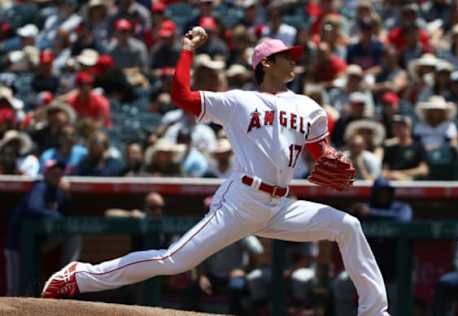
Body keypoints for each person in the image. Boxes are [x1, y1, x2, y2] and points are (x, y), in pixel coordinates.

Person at [41, 29, 390, 316]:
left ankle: (375, 312)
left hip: (283, 205)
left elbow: (320, 153)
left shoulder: (310, 108)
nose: (293, 60)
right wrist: (187, 51)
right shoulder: (238, 101)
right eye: (286, 56)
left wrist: (332, 157)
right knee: (173, 260)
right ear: (266, 63)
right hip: (241, 201)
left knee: (348, 226)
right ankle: (81, 276)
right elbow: (182, 96)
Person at [333, 177, 412, 316]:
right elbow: (343, 221)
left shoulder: (401, 208)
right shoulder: (362, 208)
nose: (384, 195)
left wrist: (371, 214)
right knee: (341, 284)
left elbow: (404, 220)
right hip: (365, 270)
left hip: (393, 272)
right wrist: (356, 211)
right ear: (374, 193)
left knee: (393, 300)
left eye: (387, 192)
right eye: (380, 192)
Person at [4, 160, 81, 296]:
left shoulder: (59, 192)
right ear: (45, 173)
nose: (57, 173)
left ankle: (67, 278)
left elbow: (68, 216)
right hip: (17, 245)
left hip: (36, 245)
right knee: (15, 289)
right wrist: (55, 215)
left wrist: (67, 194)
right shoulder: (40, 186)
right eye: (53, 171)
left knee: (72, 233)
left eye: (60, 171)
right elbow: (34, 208)